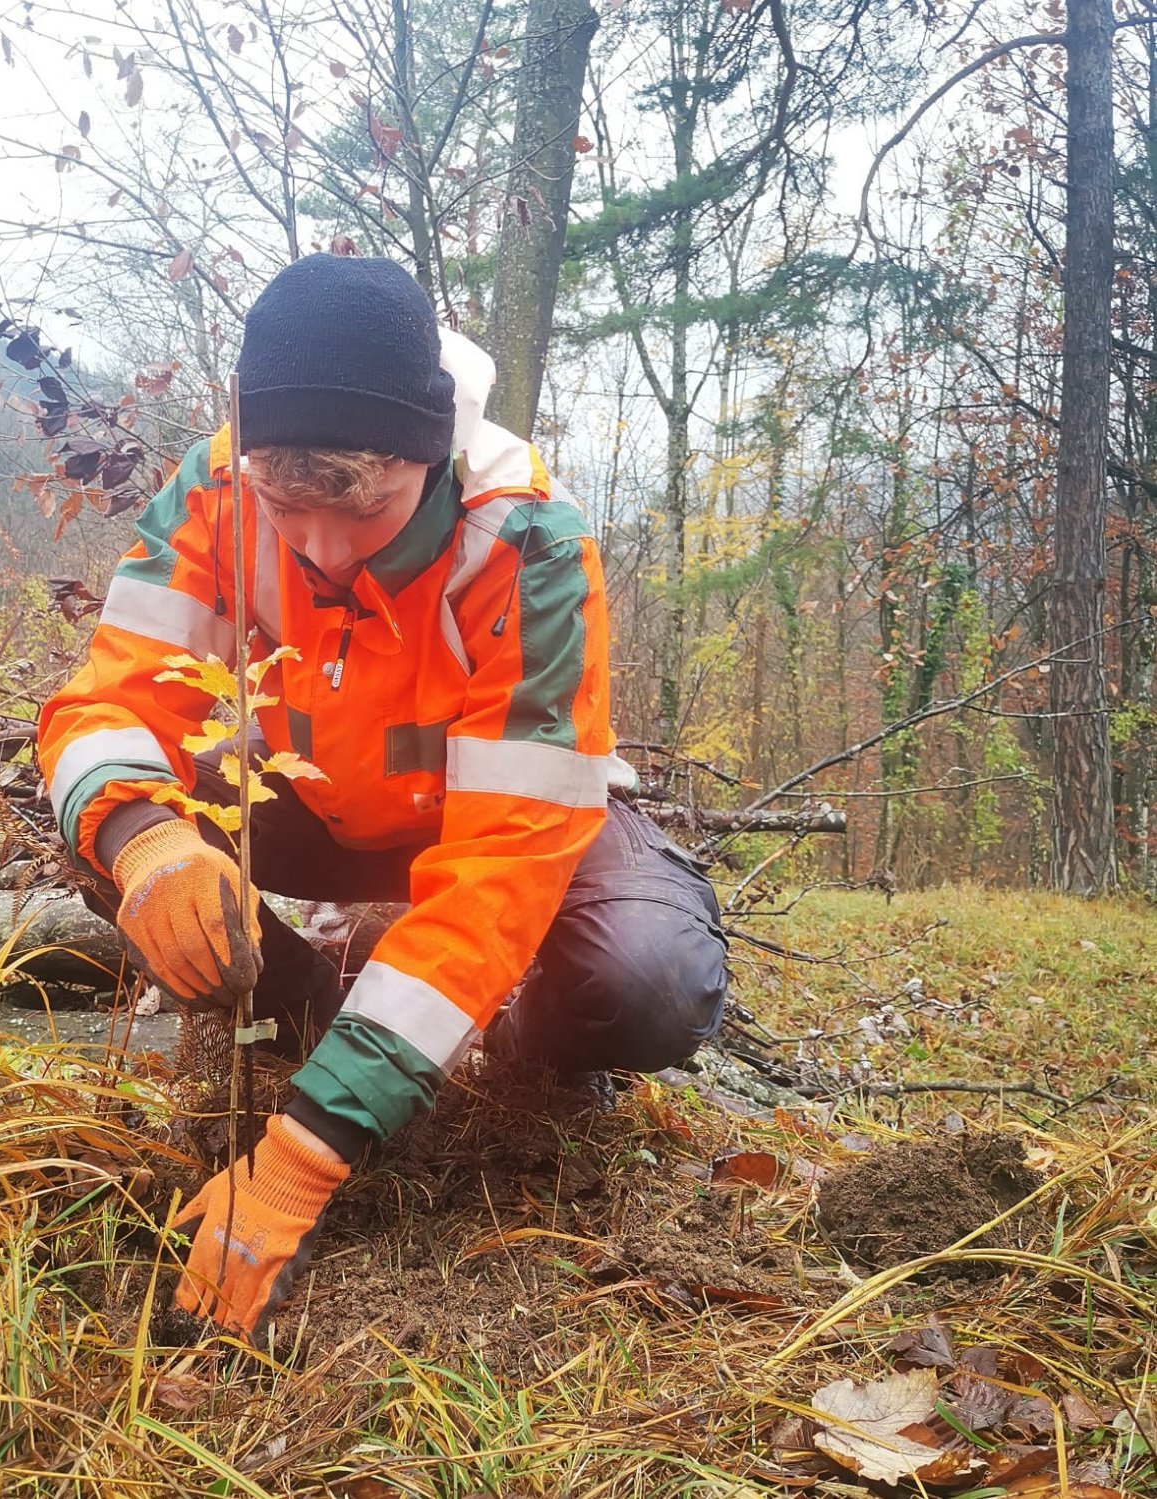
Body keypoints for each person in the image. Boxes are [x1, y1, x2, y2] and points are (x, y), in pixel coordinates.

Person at [37, 254, 729, 1342]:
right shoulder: (218, 488)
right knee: (99, 805)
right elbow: (107, 702)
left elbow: (501, 862)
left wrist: (306, 1153)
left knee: (645, 981)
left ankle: (526, 1048)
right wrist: (147, 841)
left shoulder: (529, 544)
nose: (317, 545)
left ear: (428, 450)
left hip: (496, 824)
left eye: (359, 504)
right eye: (285, 503)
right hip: (313, 807)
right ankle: (303, 1002)